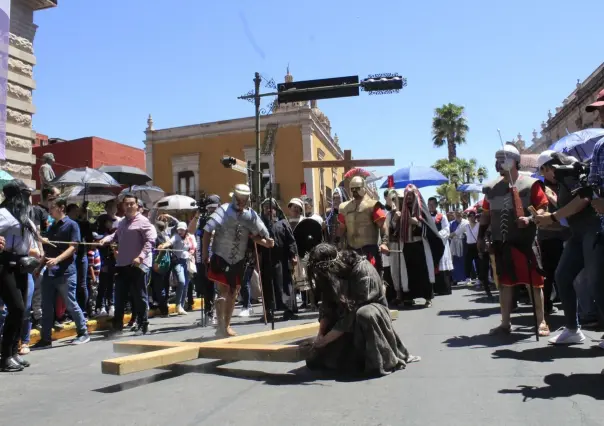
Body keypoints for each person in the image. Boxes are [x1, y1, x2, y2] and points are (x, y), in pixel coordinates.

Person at [305, 243, 420, 376]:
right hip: (344, 315)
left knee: (364, 313)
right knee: (317, 361)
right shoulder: (331, 274)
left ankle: (381, 360)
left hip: (372, 314)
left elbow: (353, 311)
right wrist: (321, 334)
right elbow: (327, 306)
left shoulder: (362, 269)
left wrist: (325, 341)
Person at [479, 144, 549, 337]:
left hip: (525, 242)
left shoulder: (530, 184)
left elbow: (543, 207)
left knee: (535, 282)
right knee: (505, 284)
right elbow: (485, 216)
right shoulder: (491, 188)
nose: (499, 164)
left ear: (514, 161)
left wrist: (529, 219)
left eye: (503, 159)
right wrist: (480, 236)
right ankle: (505, 323)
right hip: (502, 242)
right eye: (497, 159)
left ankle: (541, 321)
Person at [534, 151, 604, 346]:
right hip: (578, 235)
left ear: (548, 167)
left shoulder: (570, 171)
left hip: (593, 231)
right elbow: (568, 216)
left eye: (543, 172)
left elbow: (583, 199)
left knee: (597, 283)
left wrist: (553, 217)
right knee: (563, 275)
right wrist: (547, 220)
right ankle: (573, 329)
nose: (544, 177)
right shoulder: (562, 180)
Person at [202, 184, 273, 337]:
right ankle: (220, 325)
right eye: (239, 198)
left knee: (234, 293)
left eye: (244, 199)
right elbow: (207, 230)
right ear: (234, 196)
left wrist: (267, 242)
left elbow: (259, 235)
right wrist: (204, 254)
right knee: (223, 291)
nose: (241, 202)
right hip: (220, 256)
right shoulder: (223, 210)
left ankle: (226, 325)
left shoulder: (250, 215)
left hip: (238, 259)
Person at [34, 198, 90, 348]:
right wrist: (40, 268)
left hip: (66, 272)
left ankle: (83, 333)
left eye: (52, 208)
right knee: (46, 306)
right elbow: (48, 250)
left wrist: (57, 260)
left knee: (71, 303)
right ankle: (45, 339)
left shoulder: (72, 225)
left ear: (61, 208)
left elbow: (73, 247)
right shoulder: (52, 227)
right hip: (50, 273)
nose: (50, 210)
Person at [100, 193, 157, 336]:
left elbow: (150, 241)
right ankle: (118, 324)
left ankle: (142, 323)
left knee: (139, 296)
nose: (130, 206)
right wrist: (106, 239)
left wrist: (141, 256)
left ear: (137, 205)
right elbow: (116, 236)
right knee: (119, 295)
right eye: (127, 204)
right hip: (122, 263)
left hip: (138, 265)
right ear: (123, 206)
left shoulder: (144, 221)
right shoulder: (122, 222)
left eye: (132, 203)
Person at [0, 180, 41, 371]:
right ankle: (5, 355)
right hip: (5, 265)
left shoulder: (24, 216)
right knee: (16, 308)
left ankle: (14, 353)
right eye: (25, 194)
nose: (29, 198)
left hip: (22, 266)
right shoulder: (4, 214)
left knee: (22, 309)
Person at [391, 185, 444, 307]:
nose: (408, 198)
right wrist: (395, 220)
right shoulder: (401, 210)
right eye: (407, 195)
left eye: (411, 195)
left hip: (420, 245)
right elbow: (394, 230)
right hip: (406, 245)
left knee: (423, 272)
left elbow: (429, 228)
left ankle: (428, 298)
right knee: (409, 273)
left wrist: (417, 223)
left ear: (416, 196)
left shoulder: (422, 210)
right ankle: (409, 298)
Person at [337, 176, 389, 272]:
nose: (355, 191)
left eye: (357, 188)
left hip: (369, 250)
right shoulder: (344, 207)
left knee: (372, 280)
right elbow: (342, 227)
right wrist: (336, 243)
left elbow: (382, 225)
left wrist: (384, 243)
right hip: (351, 251)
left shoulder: (372, 205)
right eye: (352, 189)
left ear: (363, 188)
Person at [258, 198, 298, 321]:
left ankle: (289, 310)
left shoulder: (283, 223)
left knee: (285, 284)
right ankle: (268, 311)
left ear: (275, 210)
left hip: (282, 259)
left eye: (270, 208)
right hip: (266, 259)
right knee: (267, 285)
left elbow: (291, 241)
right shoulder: (259, 224)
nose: (268, 210)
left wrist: (293, 255)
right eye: (265, 208)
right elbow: (254, 241)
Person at [188, 195, 220, 324]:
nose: (211, 210)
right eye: (209, 208)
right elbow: (190, 230)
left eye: (214, 207)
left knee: (218, 287)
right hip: (202, 258)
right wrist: (197, 215)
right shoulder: (201, 219)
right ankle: (209, 313)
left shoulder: (222, 218)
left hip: (217, 256)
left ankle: (220, 314)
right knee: (206, 287)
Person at [158, 221, 196, 315]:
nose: (180, 231)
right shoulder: (176, 236)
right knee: (181, 281)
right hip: (178, 262)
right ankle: (178, 304)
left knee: (186, 284)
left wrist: (191, 252)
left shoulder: (190, 237)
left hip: (187, 262)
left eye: (182, 229)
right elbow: (169, 242)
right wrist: (163, 245)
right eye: (179, 229)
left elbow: (193, 247)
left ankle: (181, 307)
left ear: (186, 230)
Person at [427, 197, 454, 296]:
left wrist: (437, 235)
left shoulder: (442, 217)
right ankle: (435, 289)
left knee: (442, 265)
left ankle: (445, 288)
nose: (431, 206)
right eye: (429, 204)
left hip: (441, 243)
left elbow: (447, 230)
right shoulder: (426, 217)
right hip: (431, 244)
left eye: (433, 204)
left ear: (436, 205)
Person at [449, 211, 468, 284]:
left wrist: (452, 235)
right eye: (456, 214)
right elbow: (449, 232)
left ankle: (465, 277)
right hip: (454, 244)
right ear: (454, 215)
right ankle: (455, 278)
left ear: (462, 214)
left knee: (464, 260)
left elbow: (456, 233)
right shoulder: (451, 223)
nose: (458, 215)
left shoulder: (465, 222)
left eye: (459, 213)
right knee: (455, 261)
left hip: (464, 243)